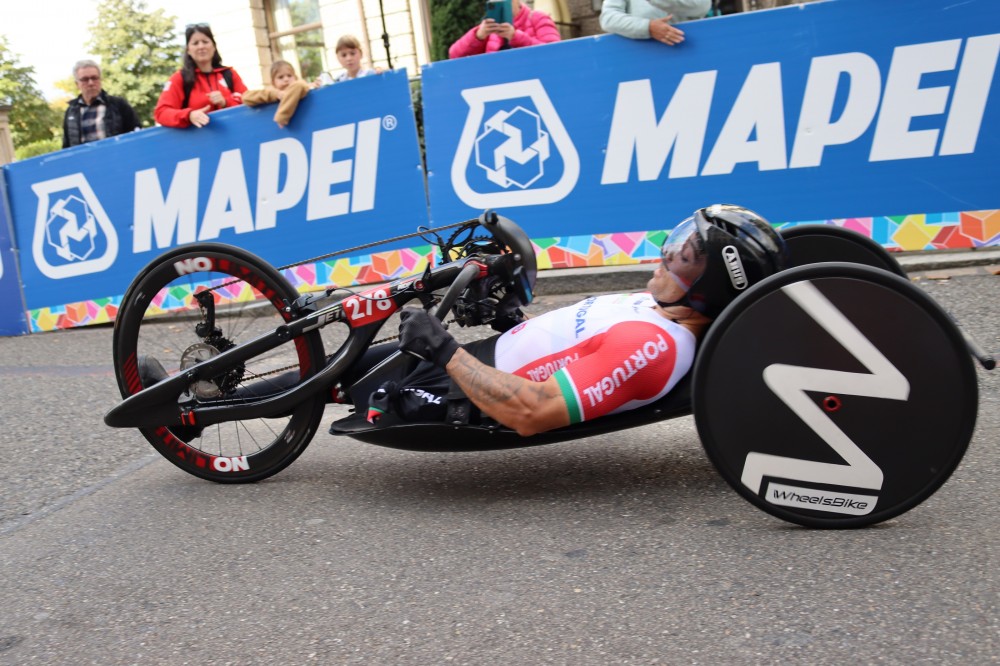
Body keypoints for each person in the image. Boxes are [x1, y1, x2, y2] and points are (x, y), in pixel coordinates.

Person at [371, 204, 787, 437]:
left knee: (331, 381)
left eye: (680, 259)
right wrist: (512, 318)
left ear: (707, 286)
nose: (664, 258)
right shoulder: (656, 308)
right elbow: (575, 347)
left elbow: (533, 411)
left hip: (467, 389)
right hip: (479, 360)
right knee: (338, 362)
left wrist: (443, 350)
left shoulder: (655, 346)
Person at [154, 24, 247, 129]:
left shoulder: (229, 74)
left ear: (214, 46)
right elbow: (161, 113)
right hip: (197, 142)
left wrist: (226, 102)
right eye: (195, 43)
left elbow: (248, 102)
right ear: (188, 50)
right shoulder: (180, 78)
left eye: (205, 42)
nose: (201, 46)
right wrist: (189, 115)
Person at [62, 60, 141, 148]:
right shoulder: (71, 111)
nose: (91, 83)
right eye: (85, 79)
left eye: (94, 78)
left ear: (100, 80)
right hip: (84, 160)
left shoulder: (118, 105)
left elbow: (136, 133)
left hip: (116, 157)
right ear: (77, 84)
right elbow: (67, 145)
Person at [448, 0, 561, 59]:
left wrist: (515, 36)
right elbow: (454, 54)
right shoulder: (490, 29)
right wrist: (478, 36)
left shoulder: (537, 18)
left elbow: (556, 52)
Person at [600, 0, 711, 46]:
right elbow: (608, 18)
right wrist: (647, 27)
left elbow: (702, 6)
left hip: (687, 47)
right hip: (641, 56)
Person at [243, 60, 313, 128]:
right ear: (273, 82)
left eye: (289, 75)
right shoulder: (272, 91)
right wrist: (275, 94)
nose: (286, 79)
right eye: (280, 77)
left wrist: (281, 117)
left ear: (295, 77)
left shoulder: (300, 85)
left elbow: (300, 85)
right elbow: (246, 97)